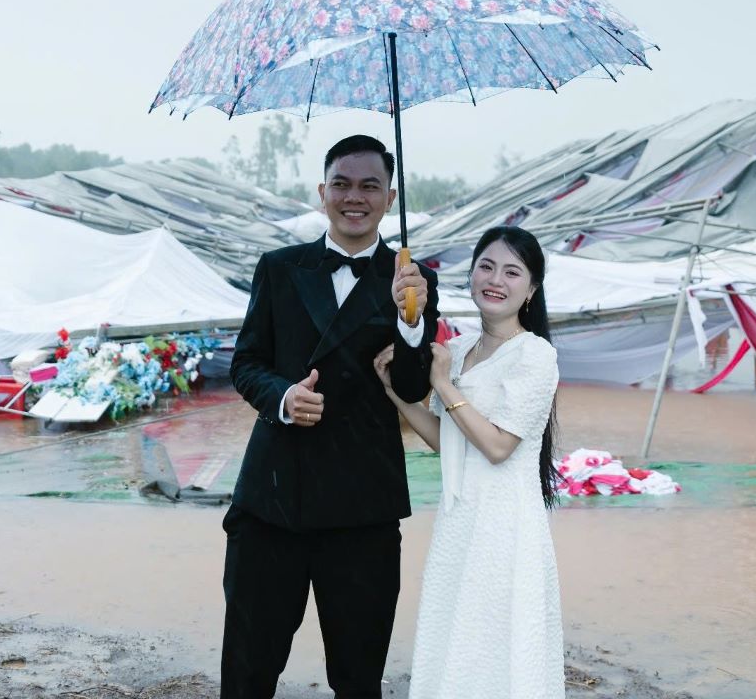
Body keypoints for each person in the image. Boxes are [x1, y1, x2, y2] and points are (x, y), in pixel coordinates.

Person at [223, 134, 440, 699]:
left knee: (359, 673)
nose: (354, 197)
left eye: (370, 186)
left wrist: (410, 320)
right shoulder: (279, 269)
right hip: (273, 500)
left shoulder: (412, 279)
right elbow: (245, 362)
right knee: (249, 667)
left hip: (363, 507)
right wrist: (283, 397)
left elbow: (415, 387)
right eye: (341, 184)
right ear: (322, 192)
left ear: (389, 198)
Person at [374, 225, 564, 699]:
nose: (496, 279)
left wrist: (444, 385)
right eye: (486, 266)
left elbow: (499, 446)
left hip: (505, 527)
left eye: (512, 271)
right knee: (454, 640)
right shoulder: (457, 350)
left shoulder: (536, 356)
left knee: (497, 647)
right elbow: (450, 443)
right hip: (459, 521)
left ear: (531, 289)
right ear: (472, 274)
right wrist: (395, 392)